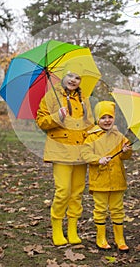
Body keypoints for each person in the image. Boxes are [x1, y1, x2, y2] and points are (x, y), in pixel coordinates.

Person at [36, 62, 94, 246]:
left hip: (80, 153)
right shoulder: (51, 97)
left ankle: (72, 228)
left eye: (77, 77)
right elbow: (41, 122)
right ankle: (57, 227)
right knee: (63, 192)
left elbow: (90, 124)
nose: (73, 80)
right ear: (63, 77)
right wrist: (56, 117)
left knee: (77, 193)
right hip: (60, 151)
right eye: (70, 76)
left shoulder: (84, 99)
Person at [81, 101, 132, 252]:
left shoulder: (119, 136)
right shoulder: (91, 137)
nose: (107, 120)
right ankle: (100, 237)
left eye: (110, 117)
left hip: (117, 179)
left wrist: (125, 150)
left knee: (117, 208)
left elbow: (126, 156)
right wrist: (98, 159)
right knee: (100, 209)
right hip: (99, 180)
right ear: (98, 119)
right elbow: (85, 154)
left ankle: (119, 238)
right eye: (103, 117)